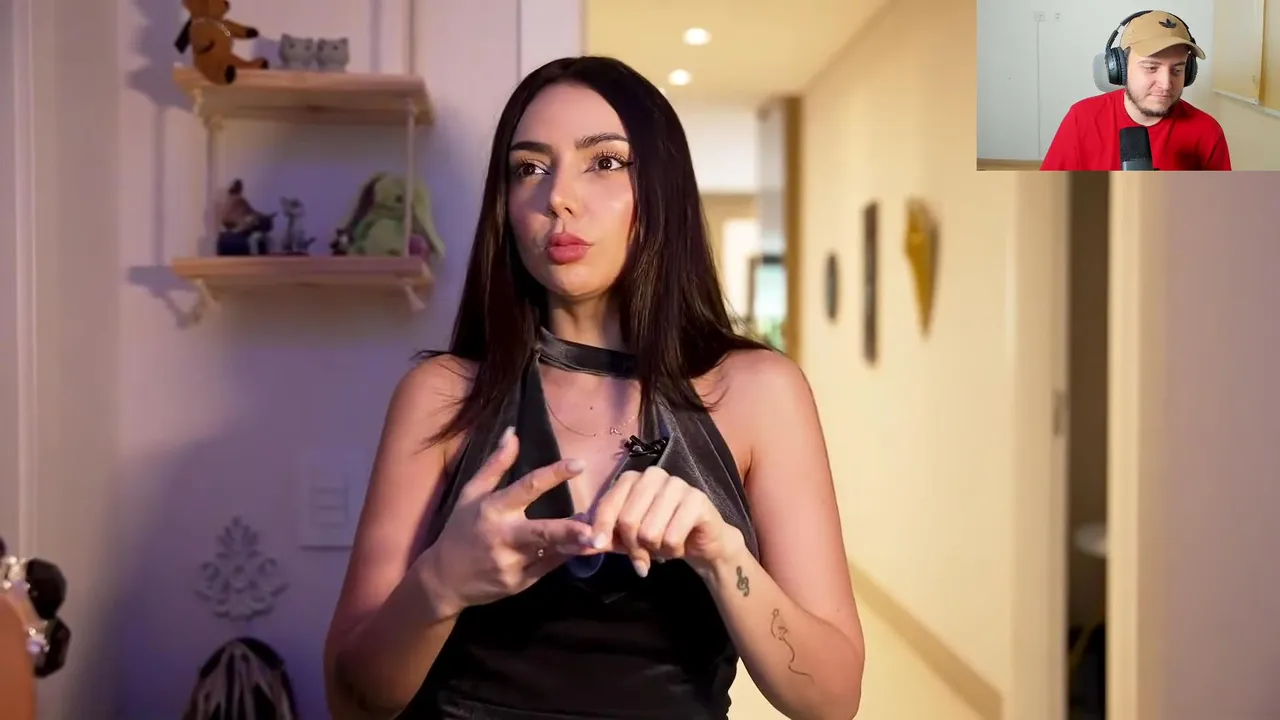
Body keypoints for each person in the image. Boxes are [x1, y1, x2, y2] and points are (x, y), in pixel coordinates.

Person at [323, 56, 865, 719]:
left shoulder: (758, 393)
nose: (557, 197)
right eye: (529, 168)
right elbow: (350, 701)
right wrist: (439, 584)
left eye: (604, 162)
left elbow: (832, 701)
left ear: (661, 190)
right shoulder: (440, 396)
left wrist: (725, 558)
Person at [1041, 10, 1231, 170]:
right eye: (1151, 68)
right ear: (1120, 69)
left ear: (1188, 72)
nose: (1166, 84)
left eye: (1177, 70)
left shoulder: (1207, 132)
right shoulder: (1082, 119)